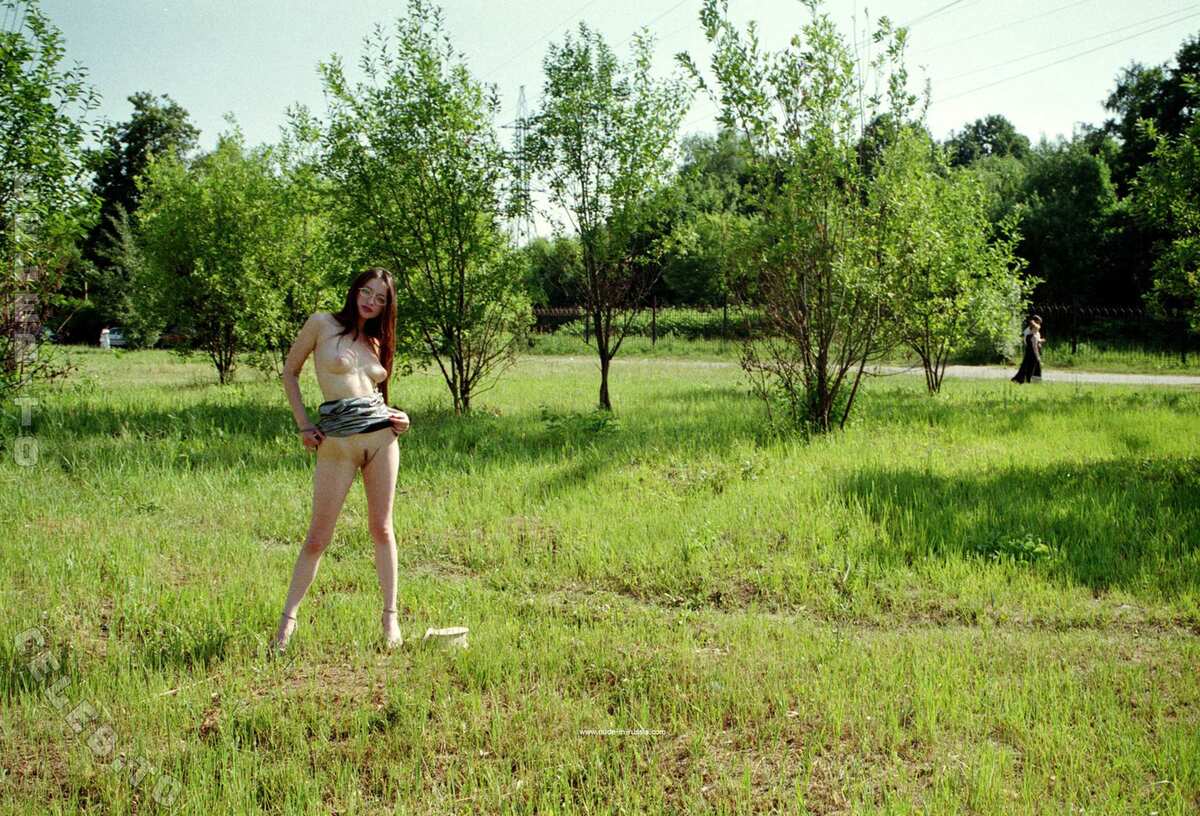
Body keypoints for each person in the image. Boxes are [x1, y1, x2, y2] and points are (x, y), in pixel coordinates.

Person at [271, 267, 411, 655]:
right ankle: (286, 624)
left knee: (382, 529)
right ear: (354, 291)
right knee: (318, 537)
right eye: (366, 292)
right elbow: (290, 373)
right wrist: (303, 425)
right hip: (337, 444)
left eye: (380, 298)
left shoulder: (377, 339)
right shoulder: (322, 324)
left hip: (383, 439)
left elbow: (375, 392)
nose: (371, 301)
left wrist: (402, 418)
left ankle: (390, 619)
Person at [1011, 314, 1044, 384]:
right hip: (1032, 350)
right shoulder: (1030, 331)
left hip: (1031, 349)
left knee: (1029, 366)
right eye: (1039, 322)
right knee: (1029, 366)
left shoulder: (1033, 331)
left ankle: (1028, 379)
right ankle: (1025, 379)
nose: (1039, 324)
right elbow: (1031, 341)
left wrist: (1039, 341)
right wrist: (1037, 354)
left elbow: (1034, 339)